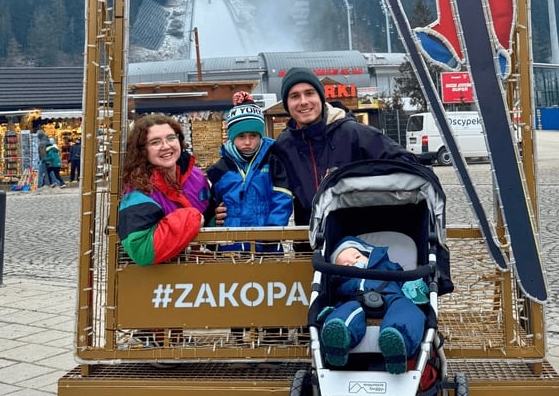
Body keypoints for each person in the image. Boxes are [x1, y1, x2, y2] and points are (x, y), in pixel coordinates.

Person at [274, 67, 422, 226]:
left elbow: (409, 163)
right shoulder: (284, 144)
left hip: (356, 238)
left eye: (310, 93)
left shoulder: (354, 133)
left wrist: (356, 180)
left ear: (321, 97)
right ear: (287, 104)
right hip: (308, 243)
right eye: (294, 96)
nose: (303, 101)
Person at [117, 114, 222, 266]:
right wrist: (192, 218)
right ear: (142, 150)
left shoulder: (196, 176)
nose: (166, 146)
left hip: (196, 273)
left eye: (171, 138)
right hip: (157, 281)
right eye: (155, 142)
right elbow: (142, 251)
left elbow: (207, 215)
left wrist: (216, 219)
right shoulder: (137, 191)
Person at [320, 236, 425, 374]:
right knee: (345, 311)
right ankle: (338, 340)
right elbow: (338, 299)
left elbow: (405, 281)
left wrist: (415, 287)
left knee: (407, 310)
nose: (353, 262)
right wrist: (332, 310)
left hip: (392, 297)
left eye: (357, 256)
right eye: (346, 265)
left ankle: (398, 344)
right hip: (356, 300)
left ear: (367, 254)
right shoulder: (343, 283)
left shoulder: (388, 267)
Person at [206, 91, 293, 231]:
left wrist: (274, 231)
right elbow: (210, 205)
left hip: (267, 242)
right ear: (232, 137)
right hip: (231, 243)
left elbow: (282, 197)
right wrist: (213, 220)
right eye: (241, 136)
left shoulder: (272, 161)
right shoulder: (219, 169)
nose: (247, 142)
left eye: (253, 135)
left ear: (260, 135)